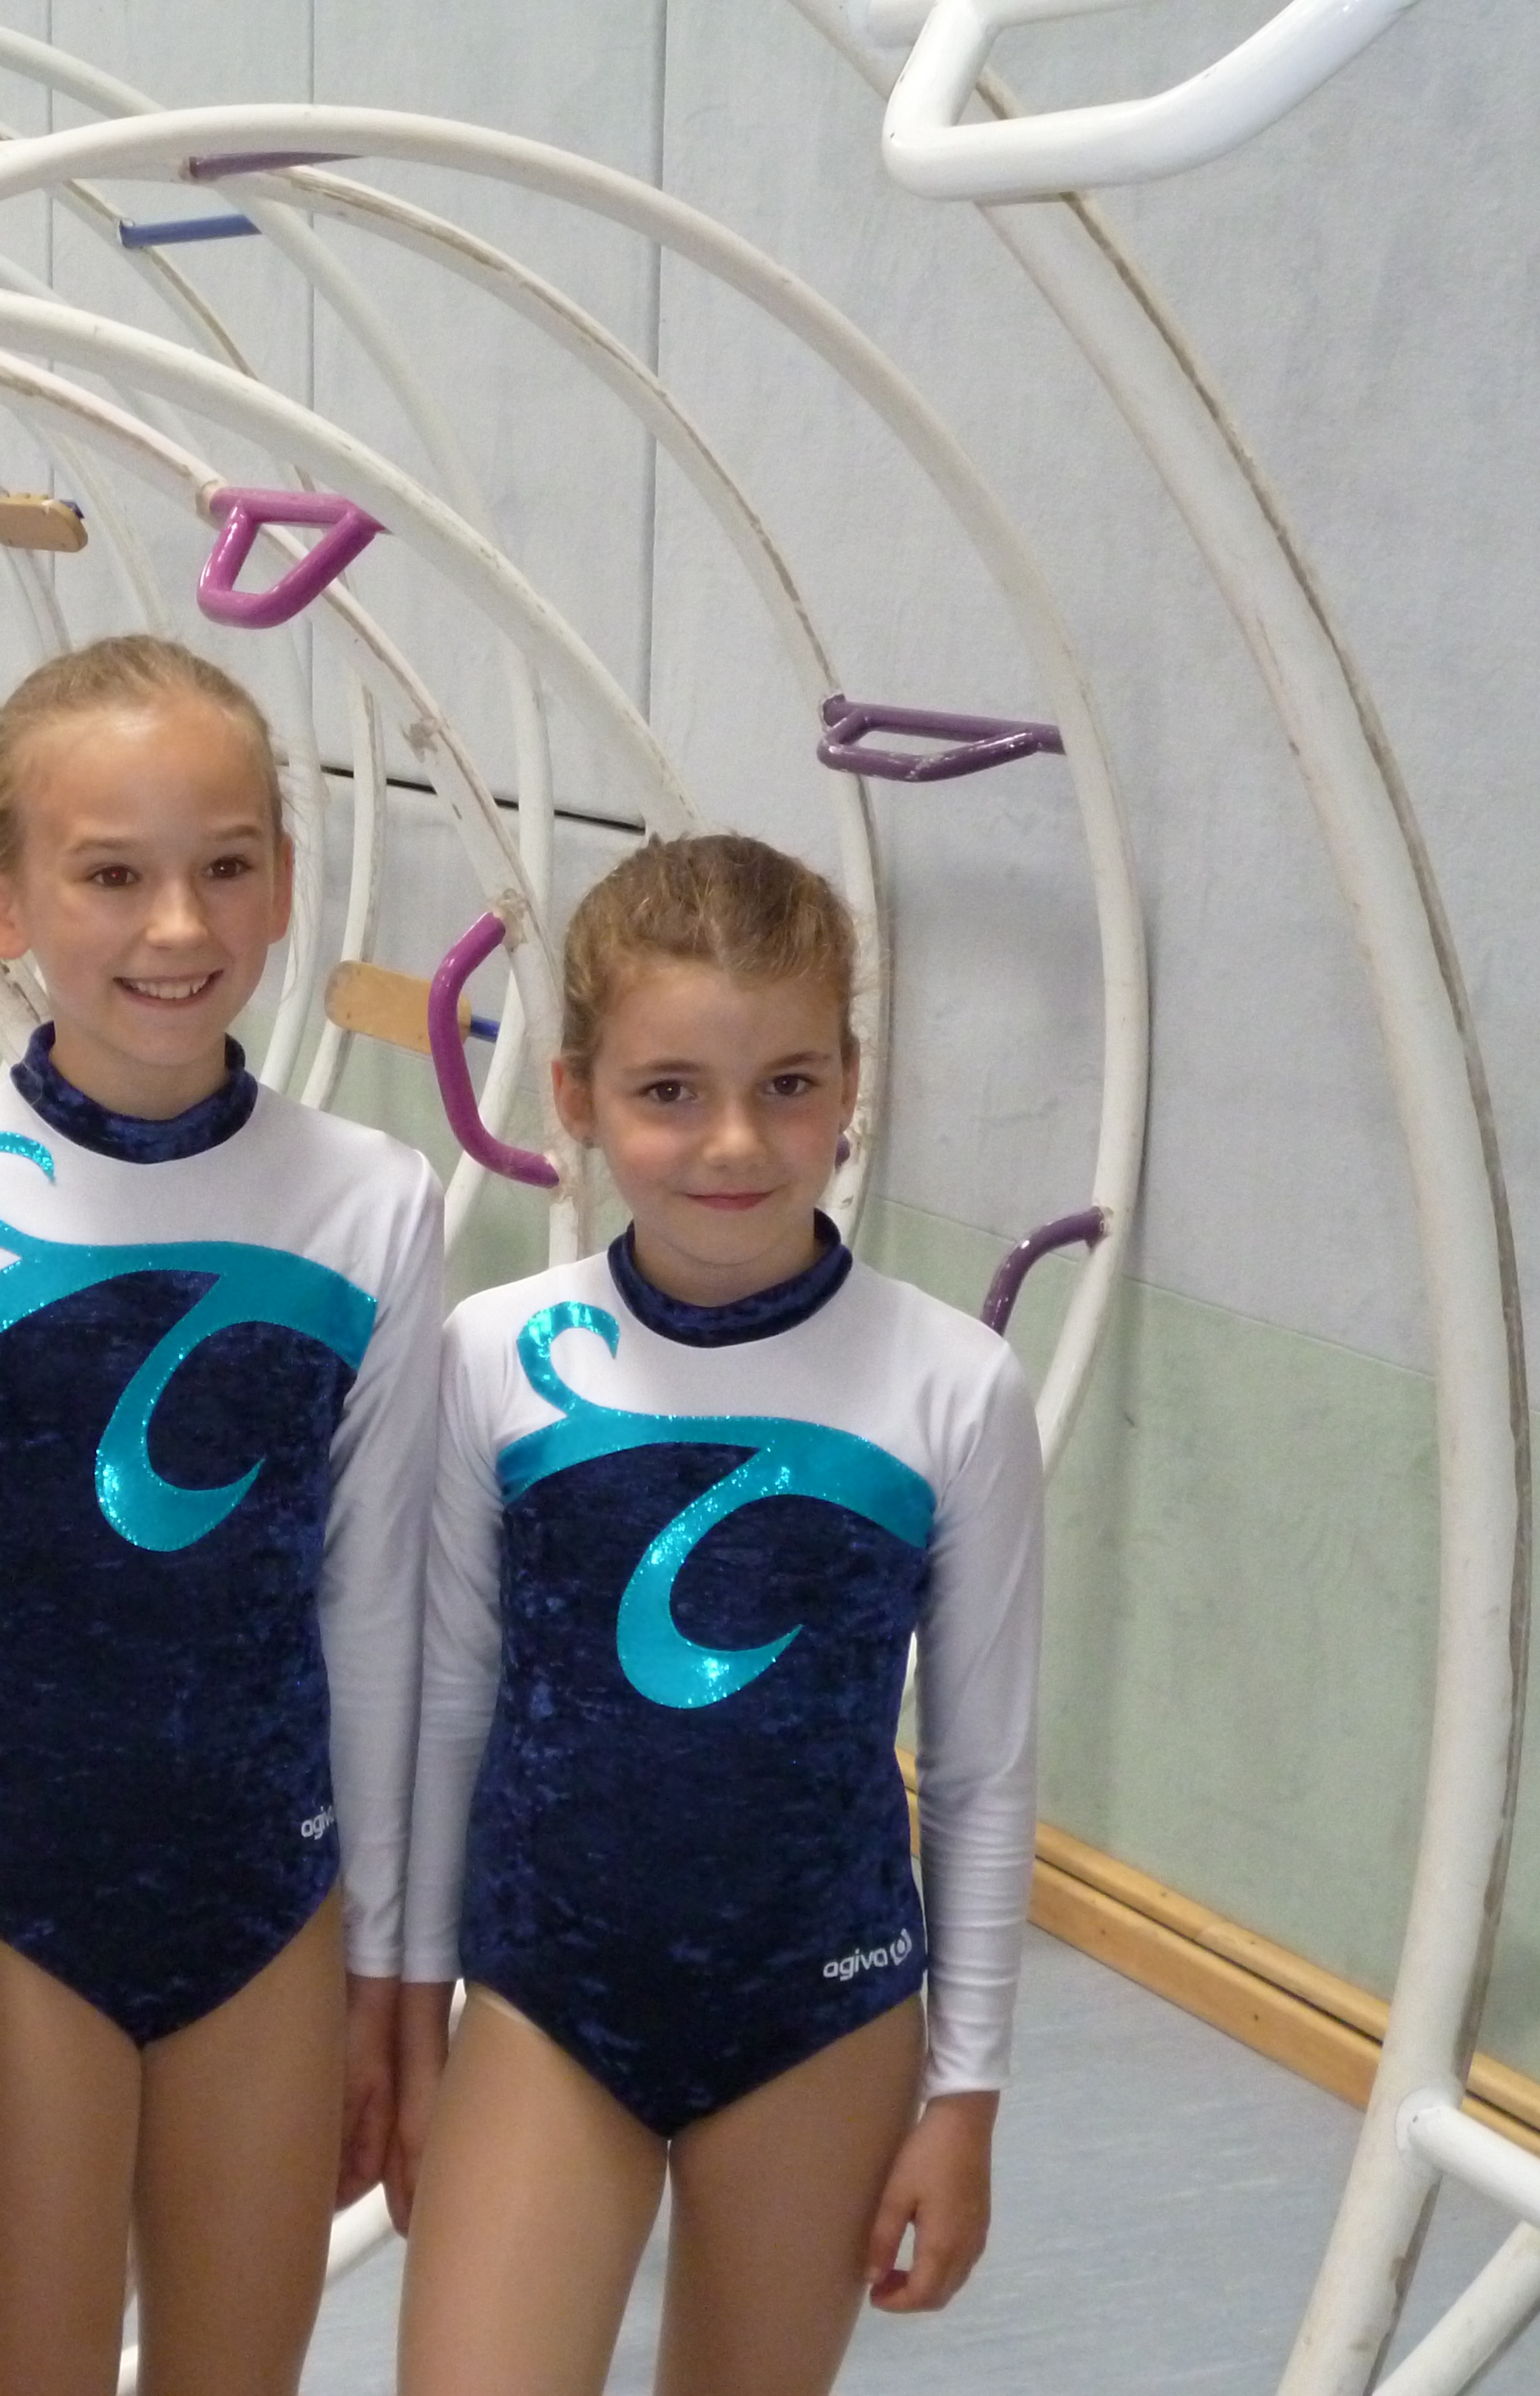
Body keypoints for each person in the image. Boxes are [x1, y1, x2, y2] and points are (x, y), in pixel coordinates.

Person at [0, 634, 444, 2396]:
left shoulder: (371, 1200)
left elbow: (374, 1606)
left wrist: (388, 1956)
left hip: (269, 1898)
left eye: (225, 866)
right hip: (6, 1902)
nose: (178, 926)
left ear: (285, 884)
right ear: (0, 899)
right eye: (110, 875)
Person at [396, 830, 1044, 2396]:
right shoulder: (495, 1354)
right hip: (550, 2001)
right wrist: (411, 2005)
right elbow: (451, 1704)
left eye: (789, 1085)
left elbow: (979, 1774)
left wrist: (966, 2097)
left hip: (819, 2010)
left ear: (853, 1083)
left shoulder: (951, 1384)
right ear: (574, 1096)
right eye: (671, 1091)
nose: (736, 1142)